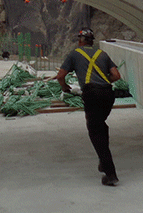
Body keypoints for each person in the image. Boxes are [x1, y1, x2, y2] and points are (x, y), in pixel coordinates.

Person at [55, 28, 121, 186]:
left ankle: (110, 173)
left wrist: (64, 88)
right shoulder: (102, 54)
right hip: (108, 95)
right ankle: (103, 162)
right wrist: (103, 82)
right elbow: (116, 76)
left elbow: (60, 76)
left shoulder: (74, 54)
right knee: (101, 126)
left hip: (92, 94)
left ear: (80, 40)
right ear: (92, 41)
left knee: (95, 131)